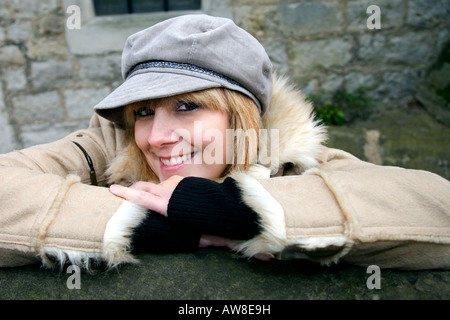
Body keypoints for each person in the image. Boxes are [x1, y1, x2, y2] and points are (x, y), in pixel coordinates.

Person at [0, 15, 449, 271]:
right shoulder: (110, 143)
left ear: (241, 116)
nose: (155, 137)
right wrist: (136, 220)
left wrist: (235, 209)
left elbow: (434, 206)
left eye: (187, 106)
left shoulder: (287, 150)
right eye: (144, 111)